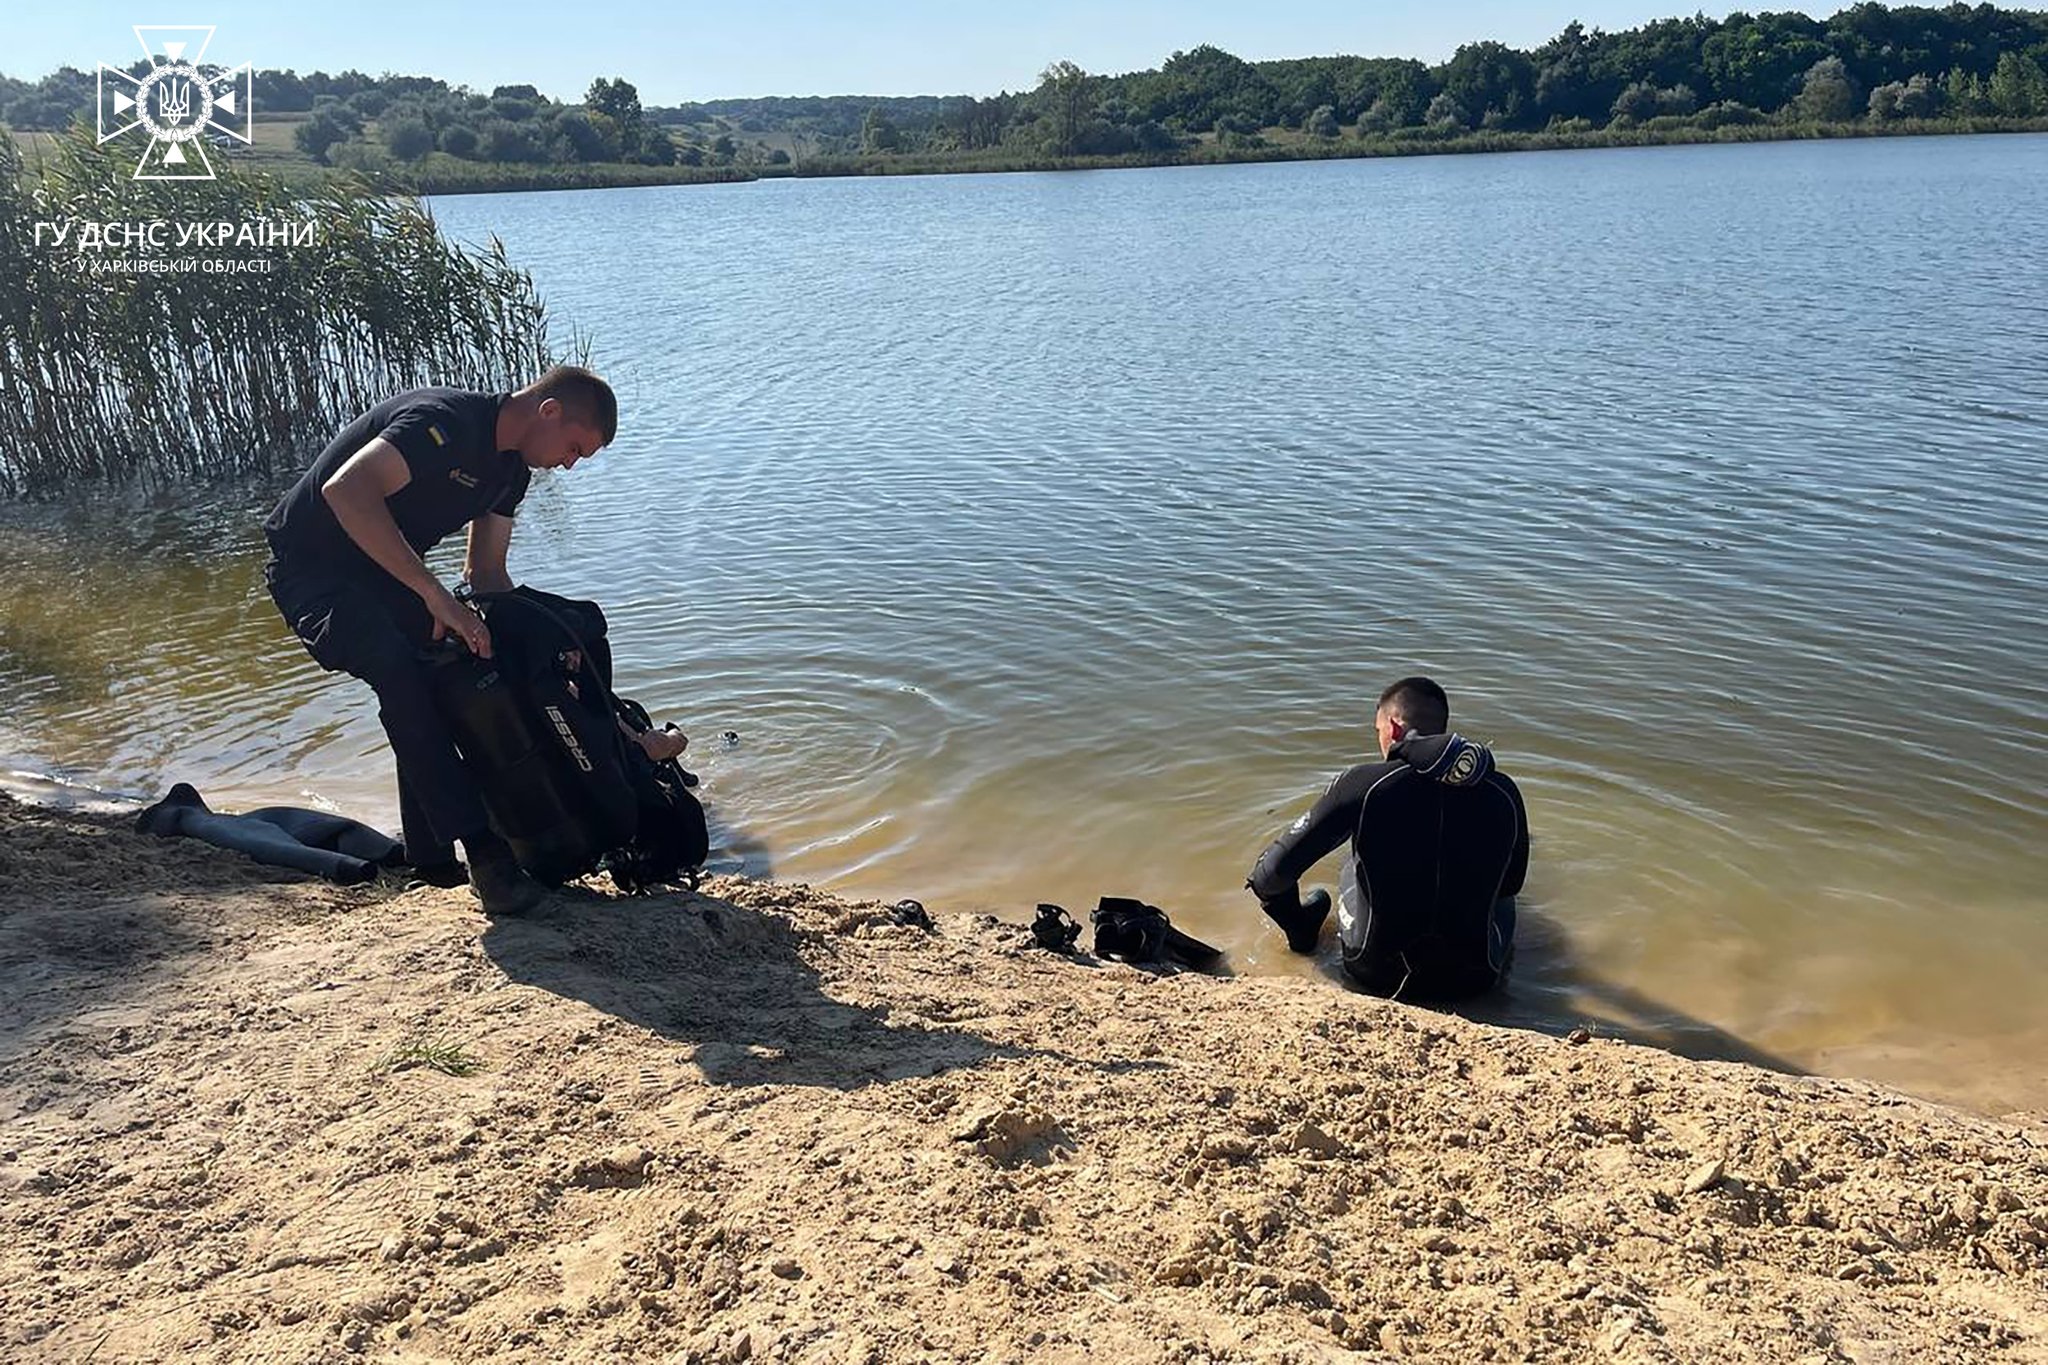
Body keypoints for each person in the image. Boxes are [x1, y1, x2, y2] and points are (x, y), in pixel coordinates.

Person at [262, 366, 622, 916]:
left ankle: (431, 856)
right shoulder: (442, 422)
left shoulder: (509, 474)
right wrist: (435, 595)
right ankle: (485, 856)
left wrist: (543, 631)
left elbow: (486, 577)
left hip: (389, 576)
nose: (568, 465)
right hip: (314, 573)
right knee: (399, 671)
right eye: (573, 448)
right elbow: (348, 491)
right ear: (548, 413)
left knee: (458, 667)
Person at [1246, 676, 1529, 1000]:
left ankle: (1305, 934)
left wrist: (1298, 925)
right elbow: (1511, 885)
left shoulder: (1362, 785)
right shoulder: (1502, 790)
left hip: (1374, 975)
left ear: (1392, 728)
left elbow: (1269, 876)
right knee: (1504, 899)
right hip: (1475, 980)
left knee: (1353, 859)